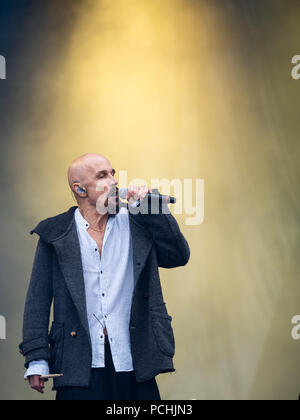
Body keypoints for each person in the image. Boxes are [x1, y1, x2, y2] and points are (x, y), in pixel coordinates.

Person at [19, 153, 190, 400]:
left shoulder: (136, 222)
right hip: (79, 363)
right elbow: (37, 301)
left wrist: (152, 208)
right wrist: (36, 357)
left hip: (133, 360)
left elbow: (178, 256)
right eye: (102, 176)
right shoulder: (55, 234)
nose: (113, 181)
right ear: (80, 189)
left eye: (113, 173)